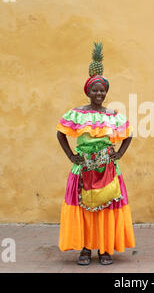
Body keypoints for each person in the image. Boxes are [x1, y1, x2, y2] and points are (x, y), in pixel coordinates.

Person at [56, 74, 135, 265]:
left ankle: (104, 248)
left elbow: (129, 134)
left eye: (102, 90)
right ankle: (85, 248)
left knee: (105, 209)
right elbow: (60, 133)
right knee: (85, 209)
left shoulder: (112, 115)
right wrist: (70, 155)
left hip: (107, 170)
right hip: (83, 170)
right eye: (95, 90)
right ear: (88, 92)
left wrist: (120, 154)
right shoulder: (77, 114)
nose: (99, 93)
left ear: (106, 92)